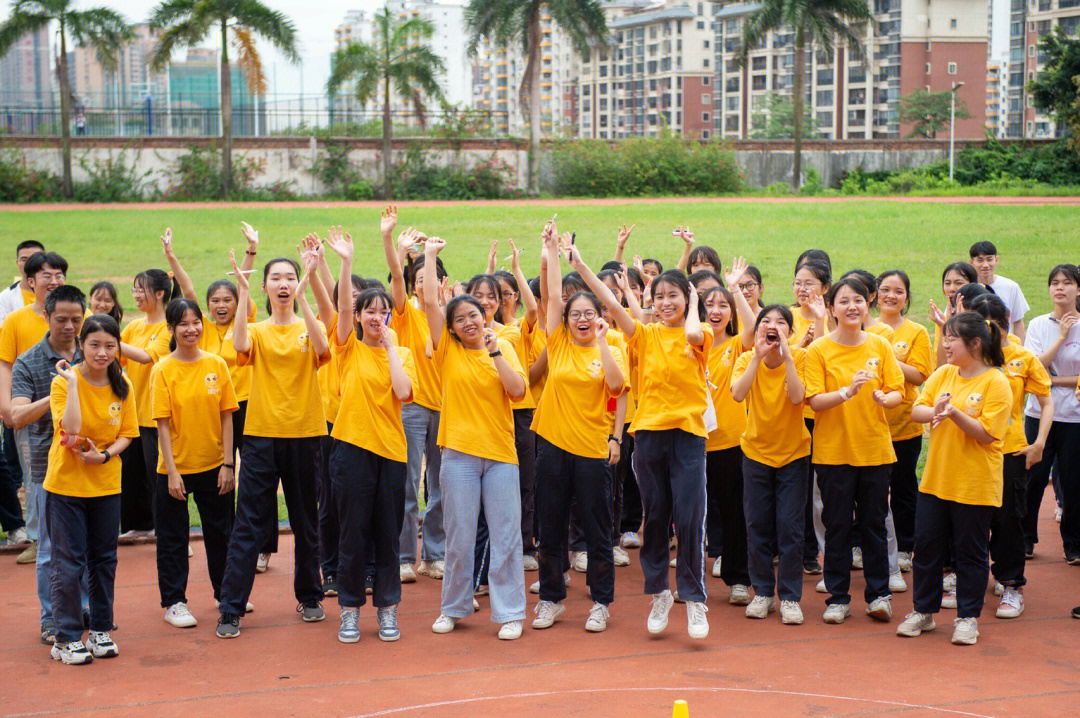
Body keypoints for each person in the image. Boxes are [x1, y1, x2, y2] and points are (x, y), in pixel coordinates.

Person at [579, 237, 713, 640]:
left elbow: (691, 334)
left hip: (688, 435)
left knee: (688, 519)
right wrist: (584, 266)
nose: (665, 302)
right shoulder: (644, 335)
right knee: (655, 518)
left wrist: (689, 301)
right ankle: (660, 593)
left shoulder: (700, 330)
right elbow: (615, 306)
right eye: (660, 296)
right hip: (650, 435)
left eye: (673, 295)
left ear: (686, 299)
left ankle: (694, 600)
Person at [215, 249, 330, 639]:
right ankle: (231, 607)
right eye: (276, 278)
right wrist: (243, 292)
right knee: (248, 524)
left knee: (305, 520)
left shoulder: (307, 324)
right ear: (265, 286)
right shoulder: (259, 330)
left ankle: (310, 596)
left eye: (289, 277)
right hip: (262, 436)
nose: (283, 284)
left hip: (305, 434)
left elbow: (321, 350)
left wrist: (303, 299)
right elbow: (240, 348)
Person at [421, 237, 528, 641]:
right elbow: (432, 302)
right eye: (461, 319)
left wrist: (496, 353)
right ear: (451, 329)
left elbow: (517, 392)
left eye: (475, 315)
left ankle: (510, 612)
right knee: (459, 538)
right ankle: (453, 608)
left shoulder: (503, 347)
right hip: (459, 457)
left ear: (486, 316)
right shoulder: (447, 352)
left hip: (501, 456)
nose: (470, 322)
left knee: (505, 537)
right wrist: (430, 257)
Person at [530, 227, 626, 633]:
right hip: (552, 445)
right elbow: (552, 296)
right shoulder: (558, 342)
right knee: (549, 526)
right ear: (565, 321)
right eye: (576, 315)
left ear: (599, 318)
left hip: (591, 449)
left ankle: (601, 601)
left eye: (590, 314)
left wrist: (602, 343)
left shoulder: (611, 346)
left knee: (597, 528)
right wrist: (551, 251)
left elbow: (618, 386)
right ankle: (551, 599)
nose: (583, 319)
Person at [325, 228, 416, 643]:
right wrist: (346, 261)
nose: (376, 317)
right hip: (351, 450)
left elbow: (403, 392)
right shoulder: (347, 347)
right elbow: (341, 306)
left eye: (383, 311)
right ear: (358, 316)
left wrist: (392, 347)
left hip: (392, 454)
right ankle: (348, 609)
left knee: (387, 532)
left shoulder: (404, 354)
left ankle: (387, 610)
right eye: (369, 311)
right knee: (352, 532)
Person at [899, 312, 1011, 646]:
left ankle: (967, 618)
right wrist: (935, 411)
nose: (946, 344)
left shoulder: (996, 382)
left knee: (971, 553)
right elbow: (917, 409)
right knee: (927, 547)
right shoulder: (944, 374)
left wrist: (955, 414)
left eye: (952, 338)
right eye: (945, 337)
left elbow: (988, 435)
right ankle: (924, 611)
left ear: (975, 344)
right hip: (936, 481)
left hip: (975, 484)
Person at [805, 277, 903, 625]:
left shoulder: (880, 346)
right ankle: (838, 597)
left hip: (875, 450)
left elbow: (897, 392)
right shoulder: (818, 350)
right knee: (837, 526)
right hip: (833, 454)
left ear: (868, 306)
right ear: (831, 309)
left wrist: (884, 397)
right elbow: (814, 400)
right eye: (843, 301)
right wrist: (847, 392)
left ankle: (878, 595)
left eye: (859, 300)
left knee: (874, 524)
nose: (852, 307)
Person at [44, 315, 139, 664]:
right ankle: (66, 637)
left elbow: (128, 433)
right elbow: (68, 429)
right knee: (68, 562)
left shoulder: (123, 385)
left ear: (118, 348)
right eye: (95, 345)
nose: (102, 353)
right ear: (81, 344)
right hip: (67, 486)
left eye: (110, 346)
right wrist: (71, 385)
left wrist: (105, 456)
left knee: (104, 561)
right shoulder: (63, 382)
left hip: (105, 484)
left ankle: (100, 629)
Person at [151, 298, 239, 630]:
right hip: (174, 470)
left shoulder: (216, 364)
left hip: (214, 466)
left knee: (221, 535)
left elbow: (227, 417)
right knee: (173, 538)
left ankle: (226, 593)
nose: (192, 329)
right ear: (171, 329)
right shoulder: (162, 370)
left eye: (195, 322)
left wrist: (228, 464)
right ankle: (175, 601)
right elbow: (161, 424)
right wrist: (172, 472)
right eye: (183, 324)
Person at [10, 285, 86, 643]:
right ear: (46, 316)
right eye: (61, 320)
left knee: (87, 546)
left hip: (90, 465)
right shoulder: (27, 361)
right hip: (47, 469)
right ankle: (51, 617)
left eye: (76, 319)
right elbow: (15, 416)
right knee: (49, 551)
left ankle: (84, 608)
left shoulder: (94, 353)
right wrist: (59, 390)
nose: (69, 327)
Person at [969, 293, 1052, 619]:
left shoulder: (1022, 358)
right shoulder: (965, 359)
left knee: (1009, 518)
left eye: (999, 329)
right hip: (971, 449)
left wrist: (1040, 442)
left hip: (1010, 451)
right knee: (971, 518)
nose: (993, 337)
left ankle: (1011, 583)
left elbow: (1046, 402)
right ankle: (966, 576)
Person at [731, 304, 810, 624]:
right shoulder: (746, 358)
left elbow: (796, 397)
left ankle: (790, 597)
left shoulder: (801, 359)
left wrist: (789, 357)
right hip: (756, 454)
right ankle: (763, 592)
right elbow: (737, 394)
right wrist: (756, 357)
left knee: (790, 528)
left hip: (793, 454)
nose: (772, 326)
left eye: (780, 322)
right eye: (765, 322)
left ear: (789, 332)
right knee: (757, 525)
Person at [385, 211, 447, 582]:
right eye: (419, 280)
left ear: (444, 283)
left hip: (446, 408)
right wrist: (400, 246)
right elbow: (396, 275)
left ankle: (433, 554)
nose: (426, 285)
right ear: (412, 287)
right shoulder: (406, 314)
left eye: (433, 278)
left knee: (441, 486)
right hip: (411, 408)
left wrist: (430, 255)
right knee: (407, 483)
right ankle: (406, 555)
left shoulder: (449, 315)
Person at [0, 250, 70, 562]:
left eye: (59, 275)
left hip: (70, 411)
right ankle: (38, 539)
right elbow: (5, 365)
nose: (54, 281)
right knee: (34, 475)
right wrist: (6, 407)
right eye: (47, 275)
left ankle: (66, 536)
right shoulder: (16, 320)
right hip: (31, 410)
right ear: (30, 281)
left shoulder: (70, 316)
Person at [702, 261, 756, 603]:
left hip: (730, 442)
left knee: (734, 511)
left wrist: (734, 288)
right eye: (708, 305)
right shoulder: (690, 344)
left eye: (723, 305)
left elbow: (752, 330)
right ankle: (692, 579)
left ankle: (738, 579)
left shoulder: (737, 345)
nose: (716, 311)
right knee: (691, 516)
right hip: (691, 441)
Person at [118, 254, 181, 538]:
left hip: (155, 414)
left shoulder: (167, 327)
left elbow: (145, 357)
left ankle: (169, 531)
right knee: (131, 474)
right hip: (131, 414)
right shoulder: (133, 327)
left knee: (158, 475)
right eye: (134, 289)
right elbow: (117, 362)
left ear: (159, 293)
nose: (136, 295)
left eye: (140, 289)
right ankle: (138, 525)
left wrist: (109, 338)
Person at [1022, 264, 1080, 563]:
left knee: (1073, 482)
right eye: (1054, 282)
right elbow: (1033, 367)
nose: (1060, 288)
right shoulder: (1038, 325)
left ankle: (1072, 543)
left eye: (1067, 283)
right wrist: (1061, 337)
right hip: (1038, 414)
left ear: (1078, 290)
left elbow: (1043, 374)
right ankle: (1025, 539)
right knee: (1032, 479)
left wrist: (1051, 380)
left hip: (1074, 417)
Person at [876, 270, 931, 574]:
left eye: (898, 291)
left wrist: (885, 358)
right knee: (867, 492)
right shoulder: (863, 327)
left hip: (905, 425)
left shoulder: (917, 332)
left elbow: (921, 375)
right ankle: (864, 543)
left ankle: (905, 547)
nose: (891, 296)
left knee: (904, 489)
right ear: (875, 294)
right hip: (869, 425)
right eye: (885, 290)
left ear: (907, 297)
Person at [970, 241, 1029, 341]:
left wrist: (1019, 348)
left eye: (989, 259)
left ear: (996, 260)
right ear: (971, 263)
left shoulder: (1011, 287)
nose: (985, 265)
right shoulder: (968, 289)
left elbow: (1017, 321)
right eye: (980, 260)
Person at [929, 262, 978, 368]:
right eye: (947, 283)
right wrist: (944, 326)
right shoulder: (945, 318)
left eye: (958, 283)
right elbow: (941, 366)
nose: (952, 289)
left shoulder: (982, 315)